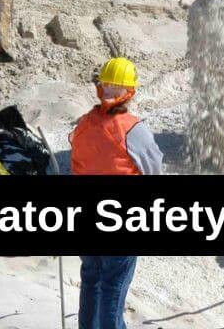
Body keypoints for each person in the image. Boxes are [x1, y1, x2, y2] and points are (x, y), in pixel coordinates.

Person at [69, 57, 162, 329]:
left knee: (91, 278)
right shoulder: (133, 129)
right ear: (130, 92)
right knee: (113, 286)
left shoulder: (85, 123)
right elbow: (153, 169)